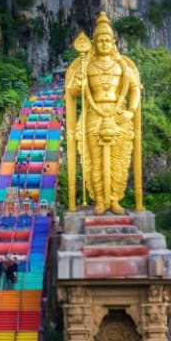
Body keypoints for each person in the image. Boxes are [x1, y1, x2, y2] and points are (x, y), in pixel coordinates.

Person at [64, 13, 143, 214]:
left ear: (114, 42)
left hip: (118, 115)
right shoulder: (87, 65)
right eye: (100, 40)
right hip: (94, 114)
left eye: (108, 40)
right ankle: (100, 199)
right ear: (93, 43)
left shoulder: (123, 66)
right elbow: (72, 93)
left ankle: (115, 198)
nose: (104, 43)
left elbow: (135, 89)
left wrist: (131, 112)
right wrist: (80, 81)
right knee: (95, 159)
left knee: (118, 159)